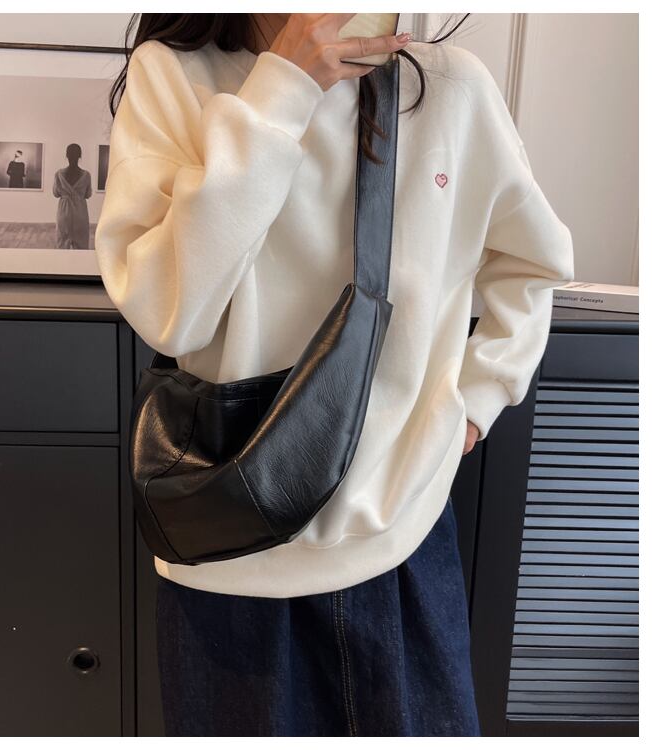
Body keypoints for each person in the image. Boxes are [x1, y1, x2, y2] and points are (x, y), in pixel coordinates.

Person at [95, 13, 575, 736]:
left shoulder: (450, 88)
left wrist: (478, 400)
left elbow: (532, 264)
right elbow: (172, 314)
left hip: (401, 537)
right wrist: (284, 88)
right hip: (229, 553)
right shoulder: (173, 77)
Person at [52, 143, 92, 249]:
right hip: (80, 214)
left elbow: (56, 193)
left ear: (66, 155)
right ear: (80, 156)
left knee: (62, 246)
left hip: (64, 213)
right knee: (81, 247)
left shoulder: (59, 174)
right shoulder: (86, 175)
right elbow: (88, 194)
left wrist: (66, 194)